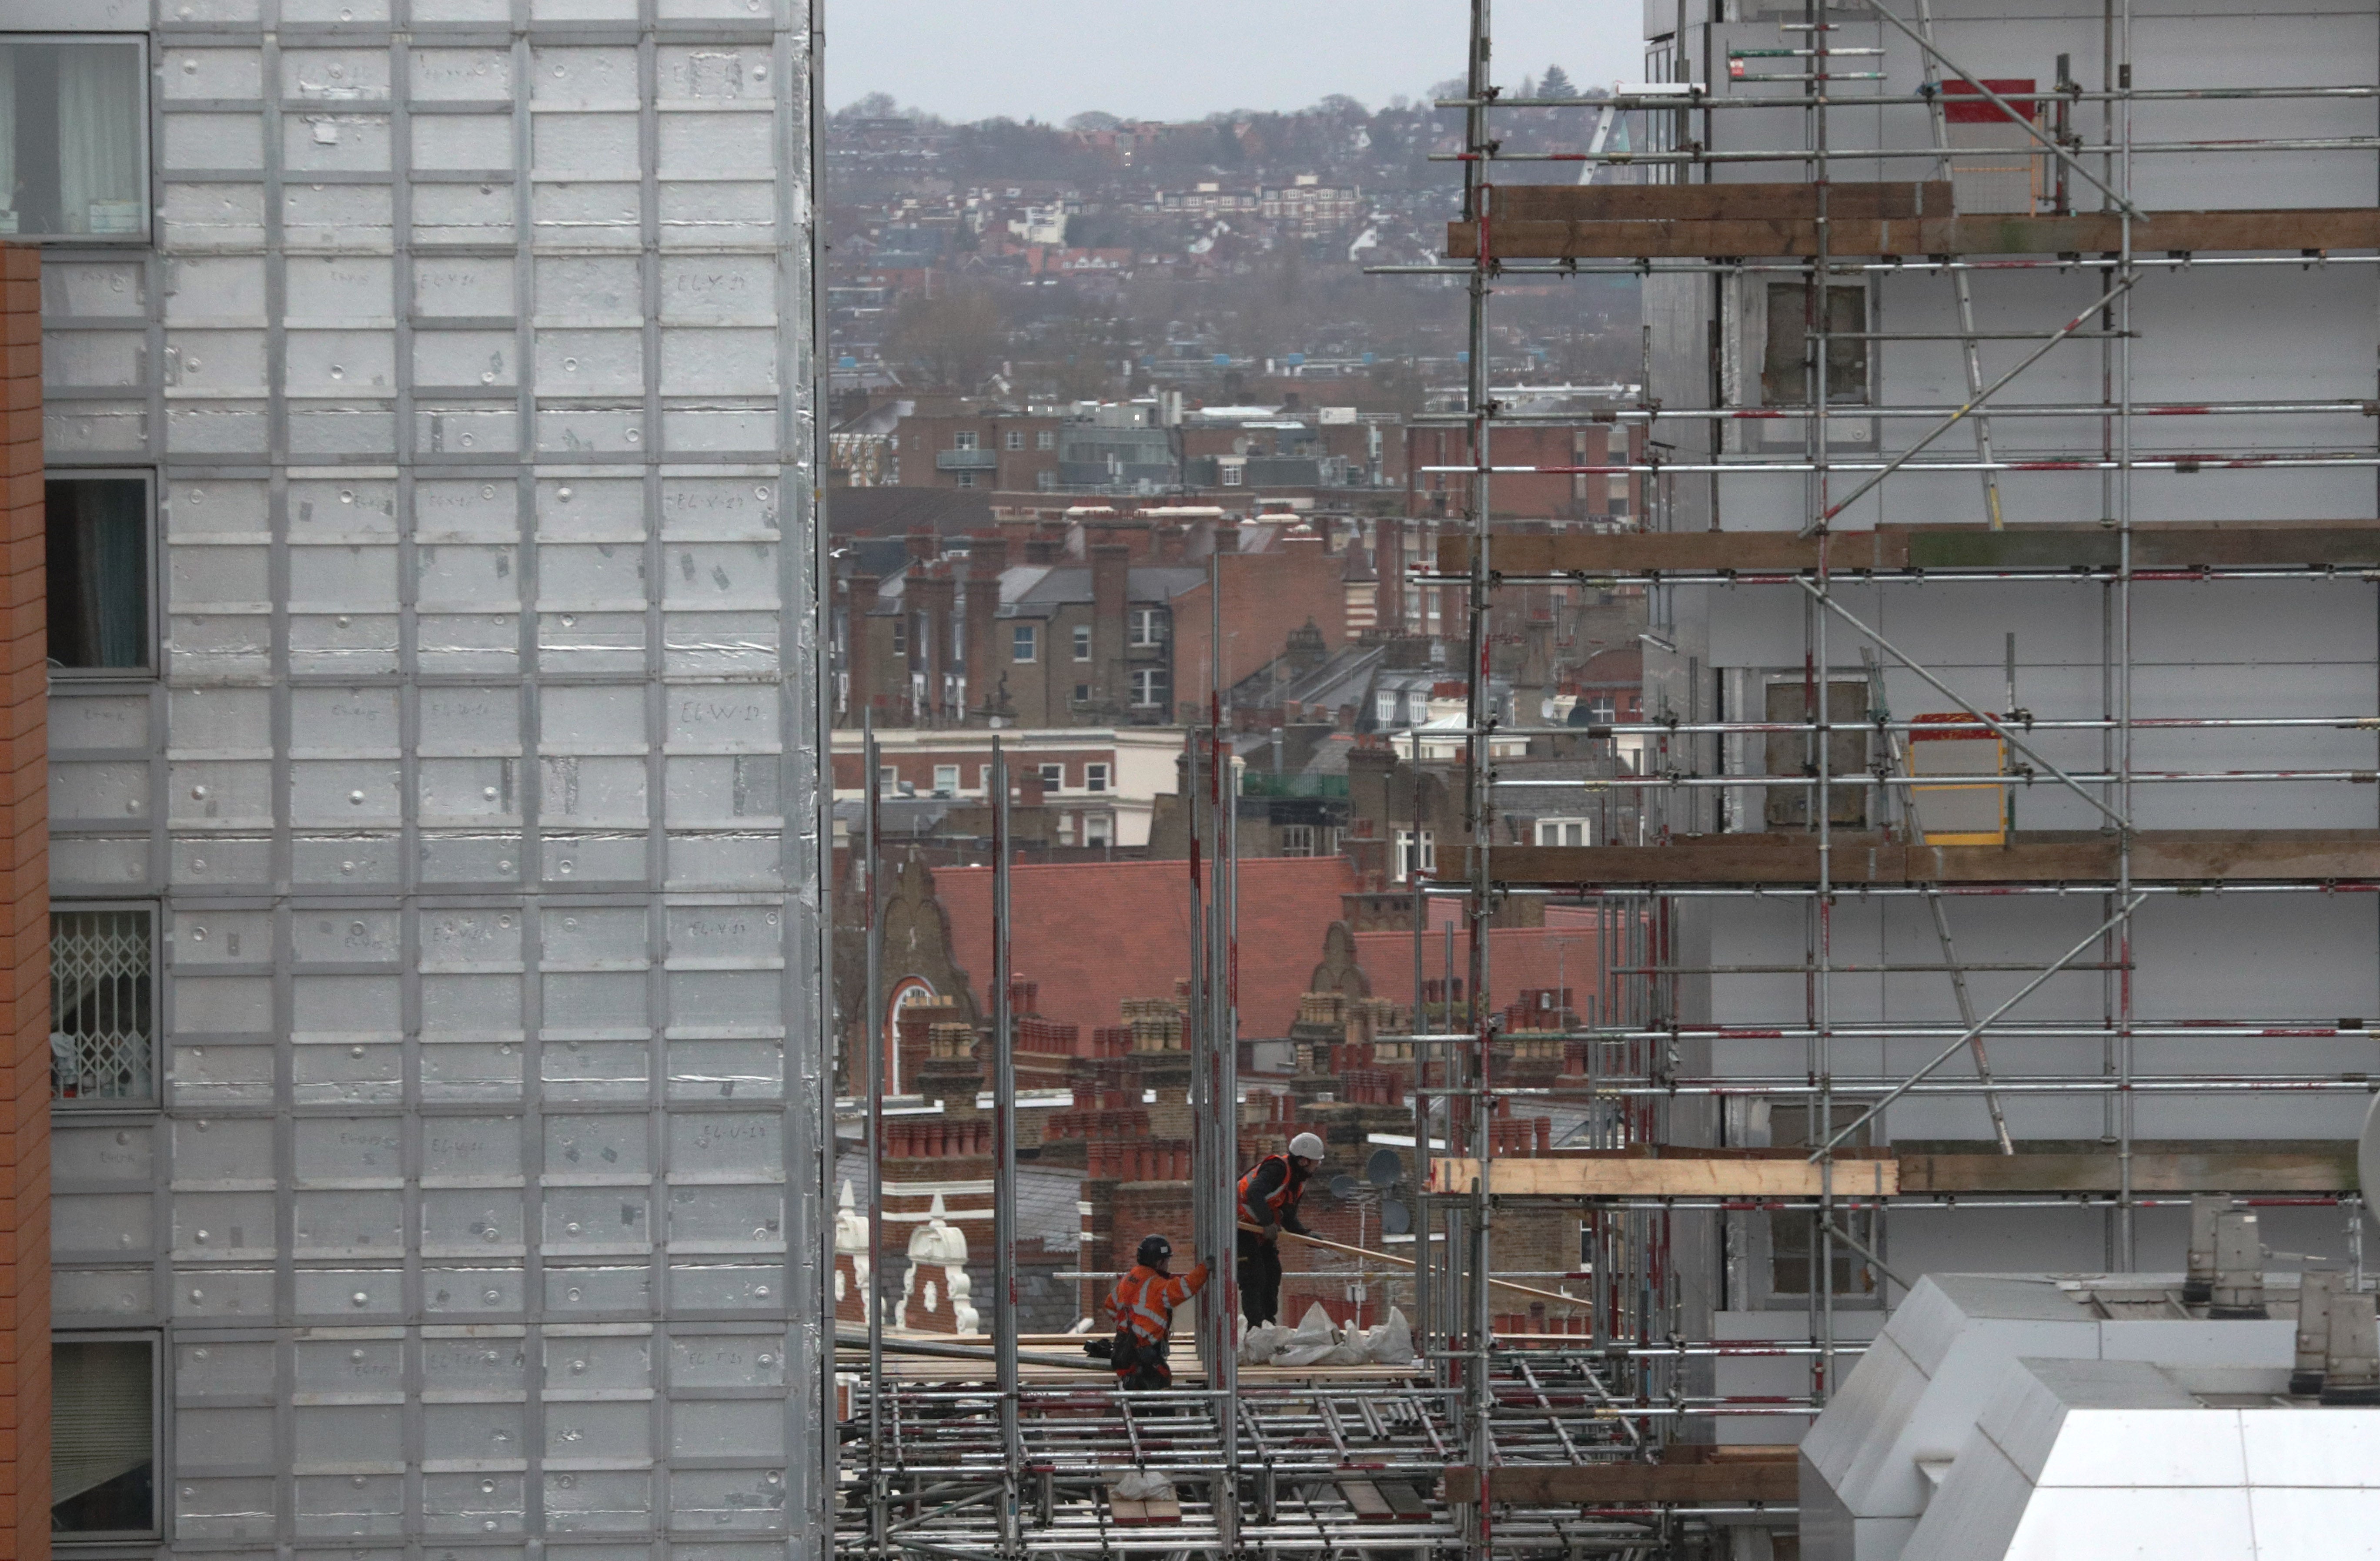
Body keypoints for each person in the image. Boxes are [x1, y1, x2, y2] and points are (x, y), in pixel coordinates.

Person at [1237, 1132, 1325, 1327]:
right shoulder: (1277, 1169)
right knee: (1254, 1277)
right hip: (1240, 1226)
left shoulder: (1297, 1184)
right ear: (1303, 1161)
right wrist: (1268, 1223)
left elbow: (1288, 1216)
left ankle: (1269, 1325)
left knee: (1272, 1273)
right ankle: (1256, 1330)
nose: (1317, 1167)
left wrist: (1305, 1235)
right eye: (1315, 1163)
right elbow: (1254, 1192)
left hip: (1260, 1229)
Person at [1106, 1233, 1208, 1391]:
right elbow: (1186, 1287)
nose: (1168, 1265)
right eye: (1167, 1260)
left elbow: (1110, 1306)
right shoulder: (1158, 1285)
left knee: (1136, 1408)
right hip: (1146, 1358)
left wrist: (1128, 1327)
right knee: (1161, 1405)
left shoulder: (1128, 1279)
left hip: (1124, 1352)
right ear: (1159, 1262)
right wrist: (1205, 1268)